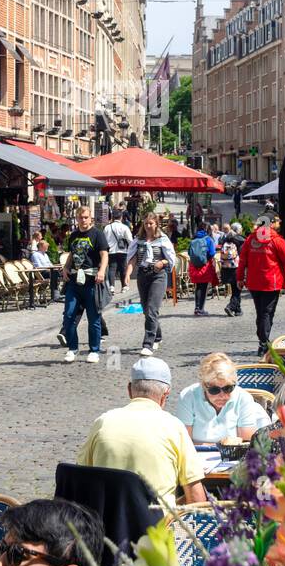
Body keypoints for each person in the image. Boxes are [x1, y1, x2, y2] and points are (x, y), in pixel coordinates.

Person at [77, 356, 207, 505]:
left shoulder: (102, 422)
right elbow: (197, 499)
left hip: (106, 524)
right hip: (158, 526)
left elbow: (81, 474)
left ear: (129, 390)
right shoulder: (173, 427)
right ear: (165, 394)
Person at [236, 220, 285, 356]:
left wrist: (240, 278)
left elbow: (242, 260)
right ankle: (264, 342)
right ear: (270, 225)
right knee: (267, 312)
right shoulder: (276, 240)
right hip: (272, 281)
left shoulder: (250, 239)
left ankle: (262, 339)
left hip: (254, 282)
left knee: (260, 312)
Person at [176, 352, 265, 443]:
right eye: (214, 390)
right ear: (203, 385)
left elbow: (247, 442)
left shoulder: (243, 397)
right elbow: (183, 442)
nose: (222, 395)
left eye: (228, 388)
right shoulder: (188, 396)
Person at [123, 211, 176, 357]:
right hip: (142, 275)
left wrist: (162, 262)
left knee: (152, 309)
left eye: (150, 223)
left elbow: (171, 258)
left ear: (156, 224)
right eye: (146, 223)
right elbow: (133, 259)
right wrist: (127, 274)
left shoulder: (162, 239)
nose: (148, 226)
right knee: (146, 310)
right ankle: (157, 336)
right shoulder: (138, 240)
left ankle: (148, 344)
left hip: (158, 275)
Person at [61, 206, 109, 365]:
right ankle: (72, 348)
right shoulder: (73, 235)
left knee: (93, 317)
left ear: (91, 218)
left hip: (92, 281)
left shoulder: (98, 234)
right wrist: (66, 267)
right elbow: (71, 255)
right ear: (77, 218)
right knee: (68, 315)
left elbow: (104, 255)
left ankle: (94, 350)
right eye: (81, 217)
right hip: (74, 281)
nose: (83, 220)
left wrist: (102, 271)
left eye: (86, 217)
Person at [187, 223, 217, 317]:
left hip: (195, 266)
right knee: (204, 288)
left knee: (198, 287)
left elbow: (189, 252)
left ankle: (197, 308)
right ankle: (201, 309)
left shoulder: (194, 240)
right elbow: (212, 253)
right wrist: (205, 258)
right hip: (205, 265)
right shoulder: (208, 239)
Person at [219, 221, 244, 317]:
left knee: (235, 288)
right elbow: (243, 255)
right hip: (236, 268)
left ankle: (238, 310)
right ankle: (230, 306)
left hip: (226, 268)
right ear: (238, 230)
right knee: (237, 289)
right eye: (241, 229)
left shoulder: (225, 239)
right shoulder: (239, 240)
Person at [104, 209, 133, 292]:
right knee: (123, 268)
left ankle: (111, 286)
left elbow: (104, 240)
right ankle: (124, 286)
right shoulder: (124, 227)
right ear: (121, 217)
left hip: (111, 251)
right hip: (122, 251)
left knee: (112, 268)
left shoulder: (107, 227)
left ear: (112, 217)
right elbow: (130, 240)